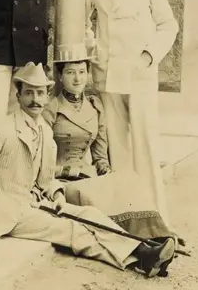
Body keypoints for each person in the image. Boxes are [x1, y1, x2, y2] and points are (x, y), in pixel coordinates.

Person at [0, 62, 177, 278]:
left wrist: (58, 196)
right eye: (29, 92)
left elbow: (46, 181)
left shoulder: (44, 132)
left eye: (40, 93)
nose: (35, 99)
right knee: (72, 229)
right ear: (18, 95)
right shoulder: (2, 129)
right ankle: (142, 254)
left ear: (46, 95)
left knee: (89, 214)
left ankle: (144, 255)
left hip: (34, 203)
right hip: (6, 211)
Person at [85, 0, 178, 219]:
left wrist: (149, 55)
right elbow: (81, 25)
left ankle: (156, 215)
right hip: (107, 76)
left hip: (139, 76)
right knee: (117, 150)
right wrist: (92, 47)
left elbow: (168, 25)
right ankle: (126, 216)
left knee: (145, 147)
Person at [42, 42, 180, 244]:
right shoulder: (51, 108)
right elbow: (41, 161)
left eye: (82, 71)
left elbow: (99, 157)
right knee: (99, 201)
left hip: (88, 175)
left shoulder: (95, 107)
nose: (77, 78)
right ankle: (143, 246)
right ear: (61, 76)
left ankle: (159, 236)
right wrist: (63, 172)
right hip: (63, 181)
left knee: (128, 184)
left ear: (88, 74)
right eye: (70, 72)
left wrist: (107, 172)